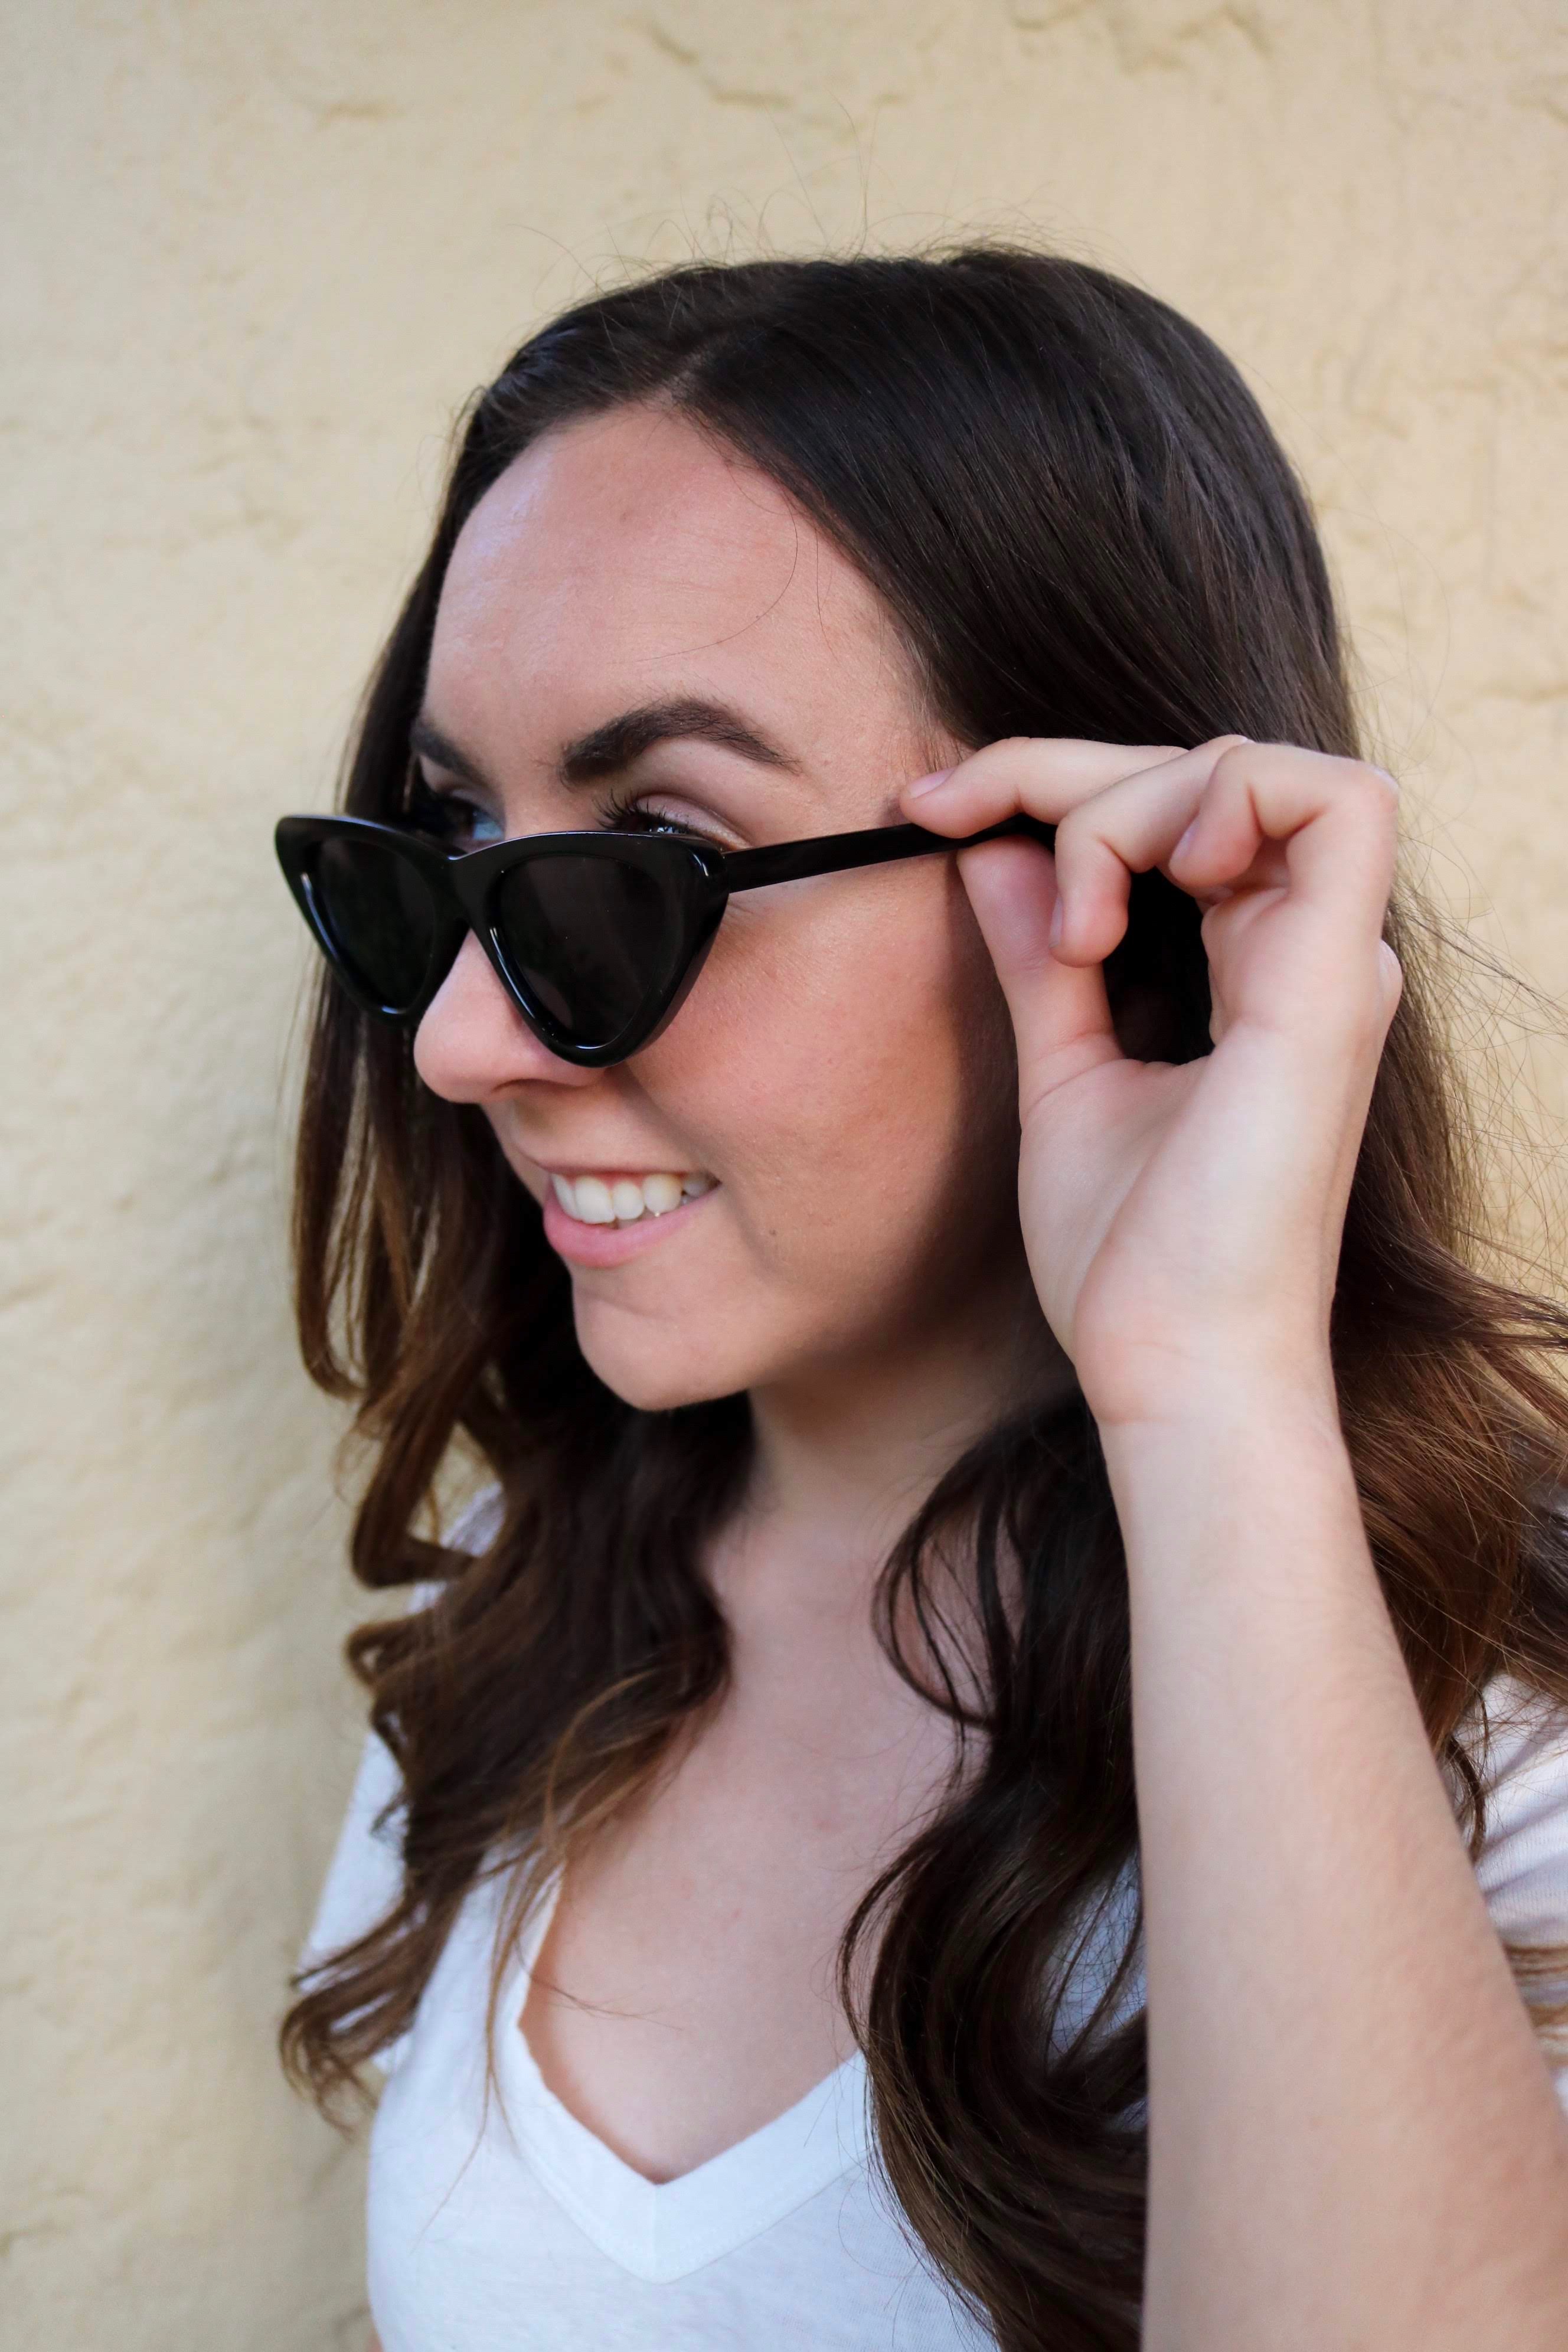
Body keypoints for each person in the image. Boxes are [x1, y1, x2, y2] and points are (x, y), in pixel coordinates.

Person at [276, 249, 1568, 2351]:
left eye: (645, 865)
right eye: (445, 848)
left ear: (1103, 870)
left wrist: (1213, 1387)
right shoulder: (524, 1602)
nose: (458, 1044)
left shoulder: (1484, 1738)